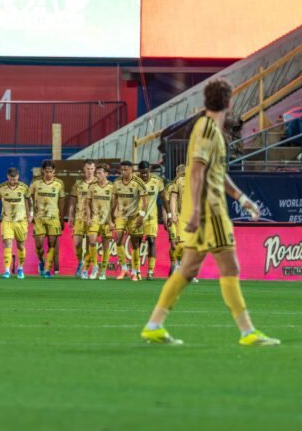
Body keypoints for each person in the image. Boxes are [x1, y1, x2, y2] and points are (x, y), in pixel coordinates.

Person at [141, 79, 278, 346]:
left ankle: (154, 324)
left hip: (204, 208)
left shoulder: (211, 129)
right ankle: (247, 332)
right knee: (230, 267)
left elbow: (217, 174)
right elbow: (196, 170)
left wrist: (243, 199)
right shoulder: (206, 129)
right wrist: (194, 213)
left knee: (188, 269)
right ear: (229, 102)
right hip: (209, 211)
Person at [109, 160, 147, 281]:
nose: (123, 172)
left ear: (131, 170)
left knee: (135, 244)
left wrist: (141, 215)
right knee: (118, 240)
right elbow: (114, 199)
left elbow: (145, 201)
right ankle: (124, 269)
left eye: (126, 170)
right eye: (122, 170)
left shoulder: (138, 182)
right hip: (121, 216)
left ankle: (135, 271)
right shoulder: (117, 182)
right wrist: (111, 216)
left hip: (135, 216)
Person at [29, 160, 66, 278]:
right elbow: (28, 197)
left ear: (54, 172)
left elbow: (61, 200)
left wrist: (61, 218)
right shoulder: (36, 183)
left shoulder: (59, 184)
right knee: (39, 244)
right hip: (39, 217)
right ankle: (41, 261)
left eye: (51, 171)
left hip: (53, 217)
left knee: (52, 243)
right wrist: (31, 212)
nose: (49, 174)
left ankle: (47, 269)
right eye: (47, 171)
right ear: (42, 171)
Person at [0, 168, 31, 279]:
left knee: (21, 246)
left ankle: (20, 268)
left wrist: (31, 214)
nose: (12, 182)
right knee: (8, 244)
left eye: (14, 179)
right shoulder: (1, 188)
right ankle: (6, 271)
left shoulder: (24, 188)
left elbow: (29, 201)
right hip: (7, 220)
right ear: (7, 177)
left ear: (18, 177)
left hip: (21, 220)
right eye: (11, 179)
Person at [66, 159, 97, 278]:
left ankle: (86, 268)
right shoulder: (78, 184)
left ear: (94, 169)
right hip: (79, 217)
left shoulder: (98, 183)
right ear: (84, 169)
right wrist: (70, 216)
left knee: (91, 244)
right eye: (88, 169)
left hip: (92, 218)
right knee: (77, 244)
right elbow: (73, 201)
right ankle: (80, 261)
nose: (90, 171)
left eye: (92, 169)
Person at [136, 160, 166, 280]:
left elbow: (163, 198)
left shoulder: (157, 181)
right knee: (136, 243)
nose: (144, 175)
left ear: (149, 170)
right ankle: (137, 270)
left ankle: (150, 271)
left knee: (151, 241)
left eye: (146, 172)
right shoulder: (134, 182)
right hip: (137, 217)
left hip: (151, 216)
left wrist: (168, 214)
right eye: (142, 172)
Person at [84, 163, 115, 280]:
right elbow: (87, 203)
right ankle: (95, 267)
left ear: (106, 174)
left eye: (100, 173)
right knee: (92, 241)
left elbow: (114, 205)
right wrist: (88, 217)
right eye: (97, 173)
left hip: (107, 220)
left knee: (106, 245)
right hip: (95, 218)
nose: (97, 175)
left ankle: (103, 270)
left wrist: (112, 221)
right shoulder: (92, 186)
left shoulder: (112, 187)